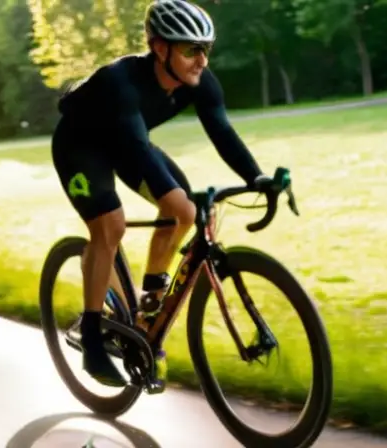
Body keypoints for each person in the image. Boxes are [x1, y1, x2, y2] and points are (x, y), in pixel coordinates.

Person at [51, 0, 273, 387]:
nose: (201, 59)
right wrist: (173, 196)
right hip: (80, 146)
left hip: (125, 141)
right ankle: (91, 338)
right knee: (110, 227)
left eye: (206, 49)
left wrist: (257, 178)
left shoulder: (200, 81)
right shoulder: (121, 81)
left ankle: (148, 307)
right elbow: (138, 151)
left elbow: (221, 131)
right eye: (191, 49)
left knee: (185, 213)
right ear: (159, 48)